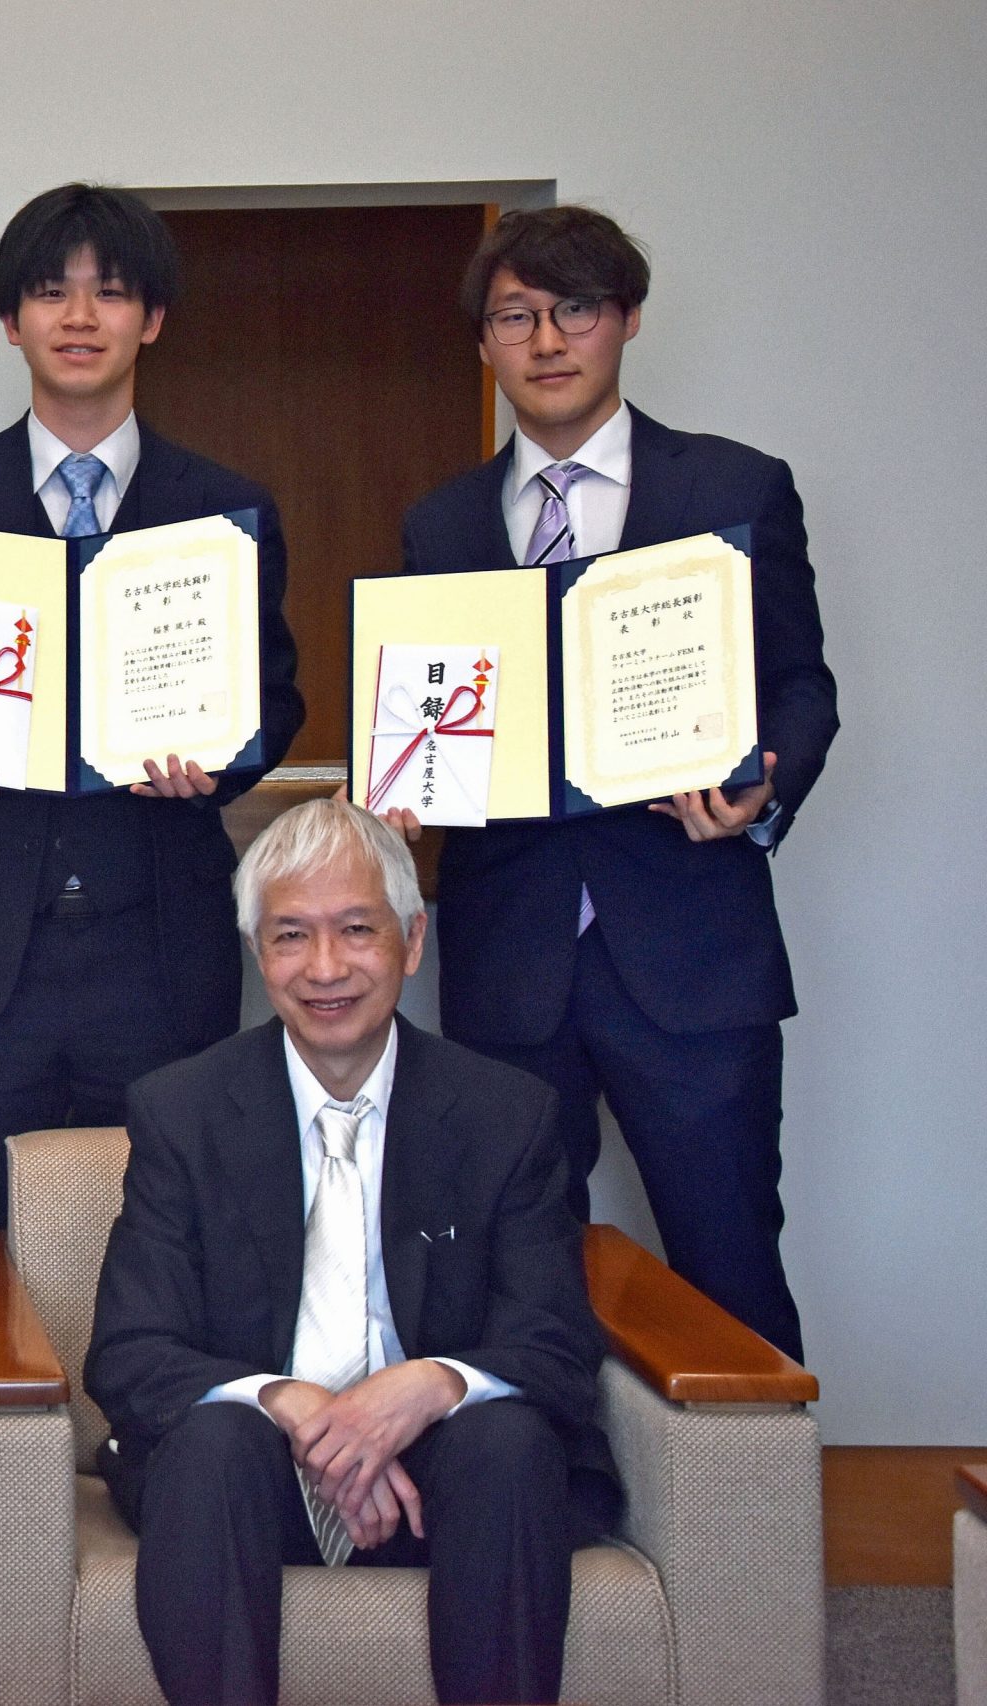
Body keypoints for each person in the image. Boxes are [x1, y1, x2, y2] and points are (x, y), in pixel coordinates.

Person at [398, 205, 838, 1360]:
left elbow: (799, 684)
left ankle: (743, 1533)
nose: (546, 340)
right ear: (483, 343)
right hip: (507, 949)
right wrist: (402, 785)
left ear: (626, 320)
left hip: (693, 944)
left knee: (728, 1252)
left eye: (574, 309)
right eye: (513, 316)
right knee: (509, 1260)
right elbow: (433, 712)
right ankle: (553, 1510)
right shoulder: (439, 520)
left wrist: (762, 789)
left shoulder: (733, 488)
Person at [85, 797, 618, 1705]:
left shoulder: (506, 1114)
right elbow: (131, 1351)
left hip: (440, 1485)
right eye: (291, 936)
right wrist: (291, 1404)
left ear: (413, 941)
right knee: (214, 1442)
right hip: (249, 1487)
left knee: (510, 1443)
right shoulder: (182, 1111)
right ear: (260, 954)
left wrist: (427, 1386)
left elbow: (555, 1344)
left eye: (356, 931)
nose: (324, 967)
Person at [0, 183, 304, 1228]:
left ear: (150, 318)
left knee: (171, 1250)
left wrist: (223, 759)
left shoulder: (222, 507)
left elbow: (274, 691)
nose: (79, 318)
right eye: (50, 292)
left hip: (158, 947)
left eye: (109, 293)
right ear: (9, 319)